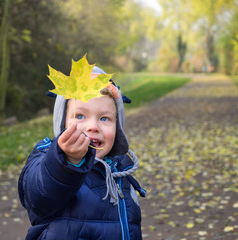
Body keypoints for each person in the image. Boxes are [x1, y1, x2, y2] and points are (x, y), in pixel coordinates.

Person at [18, 66, 146, 240]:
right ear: (63, 123)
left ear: (118, 126)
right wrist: (67, 162)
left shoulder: (120, 166)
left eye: (104, 118)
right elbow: (38, 200)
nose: (93, 126)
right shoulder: (48, 157)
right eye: (80, 116)